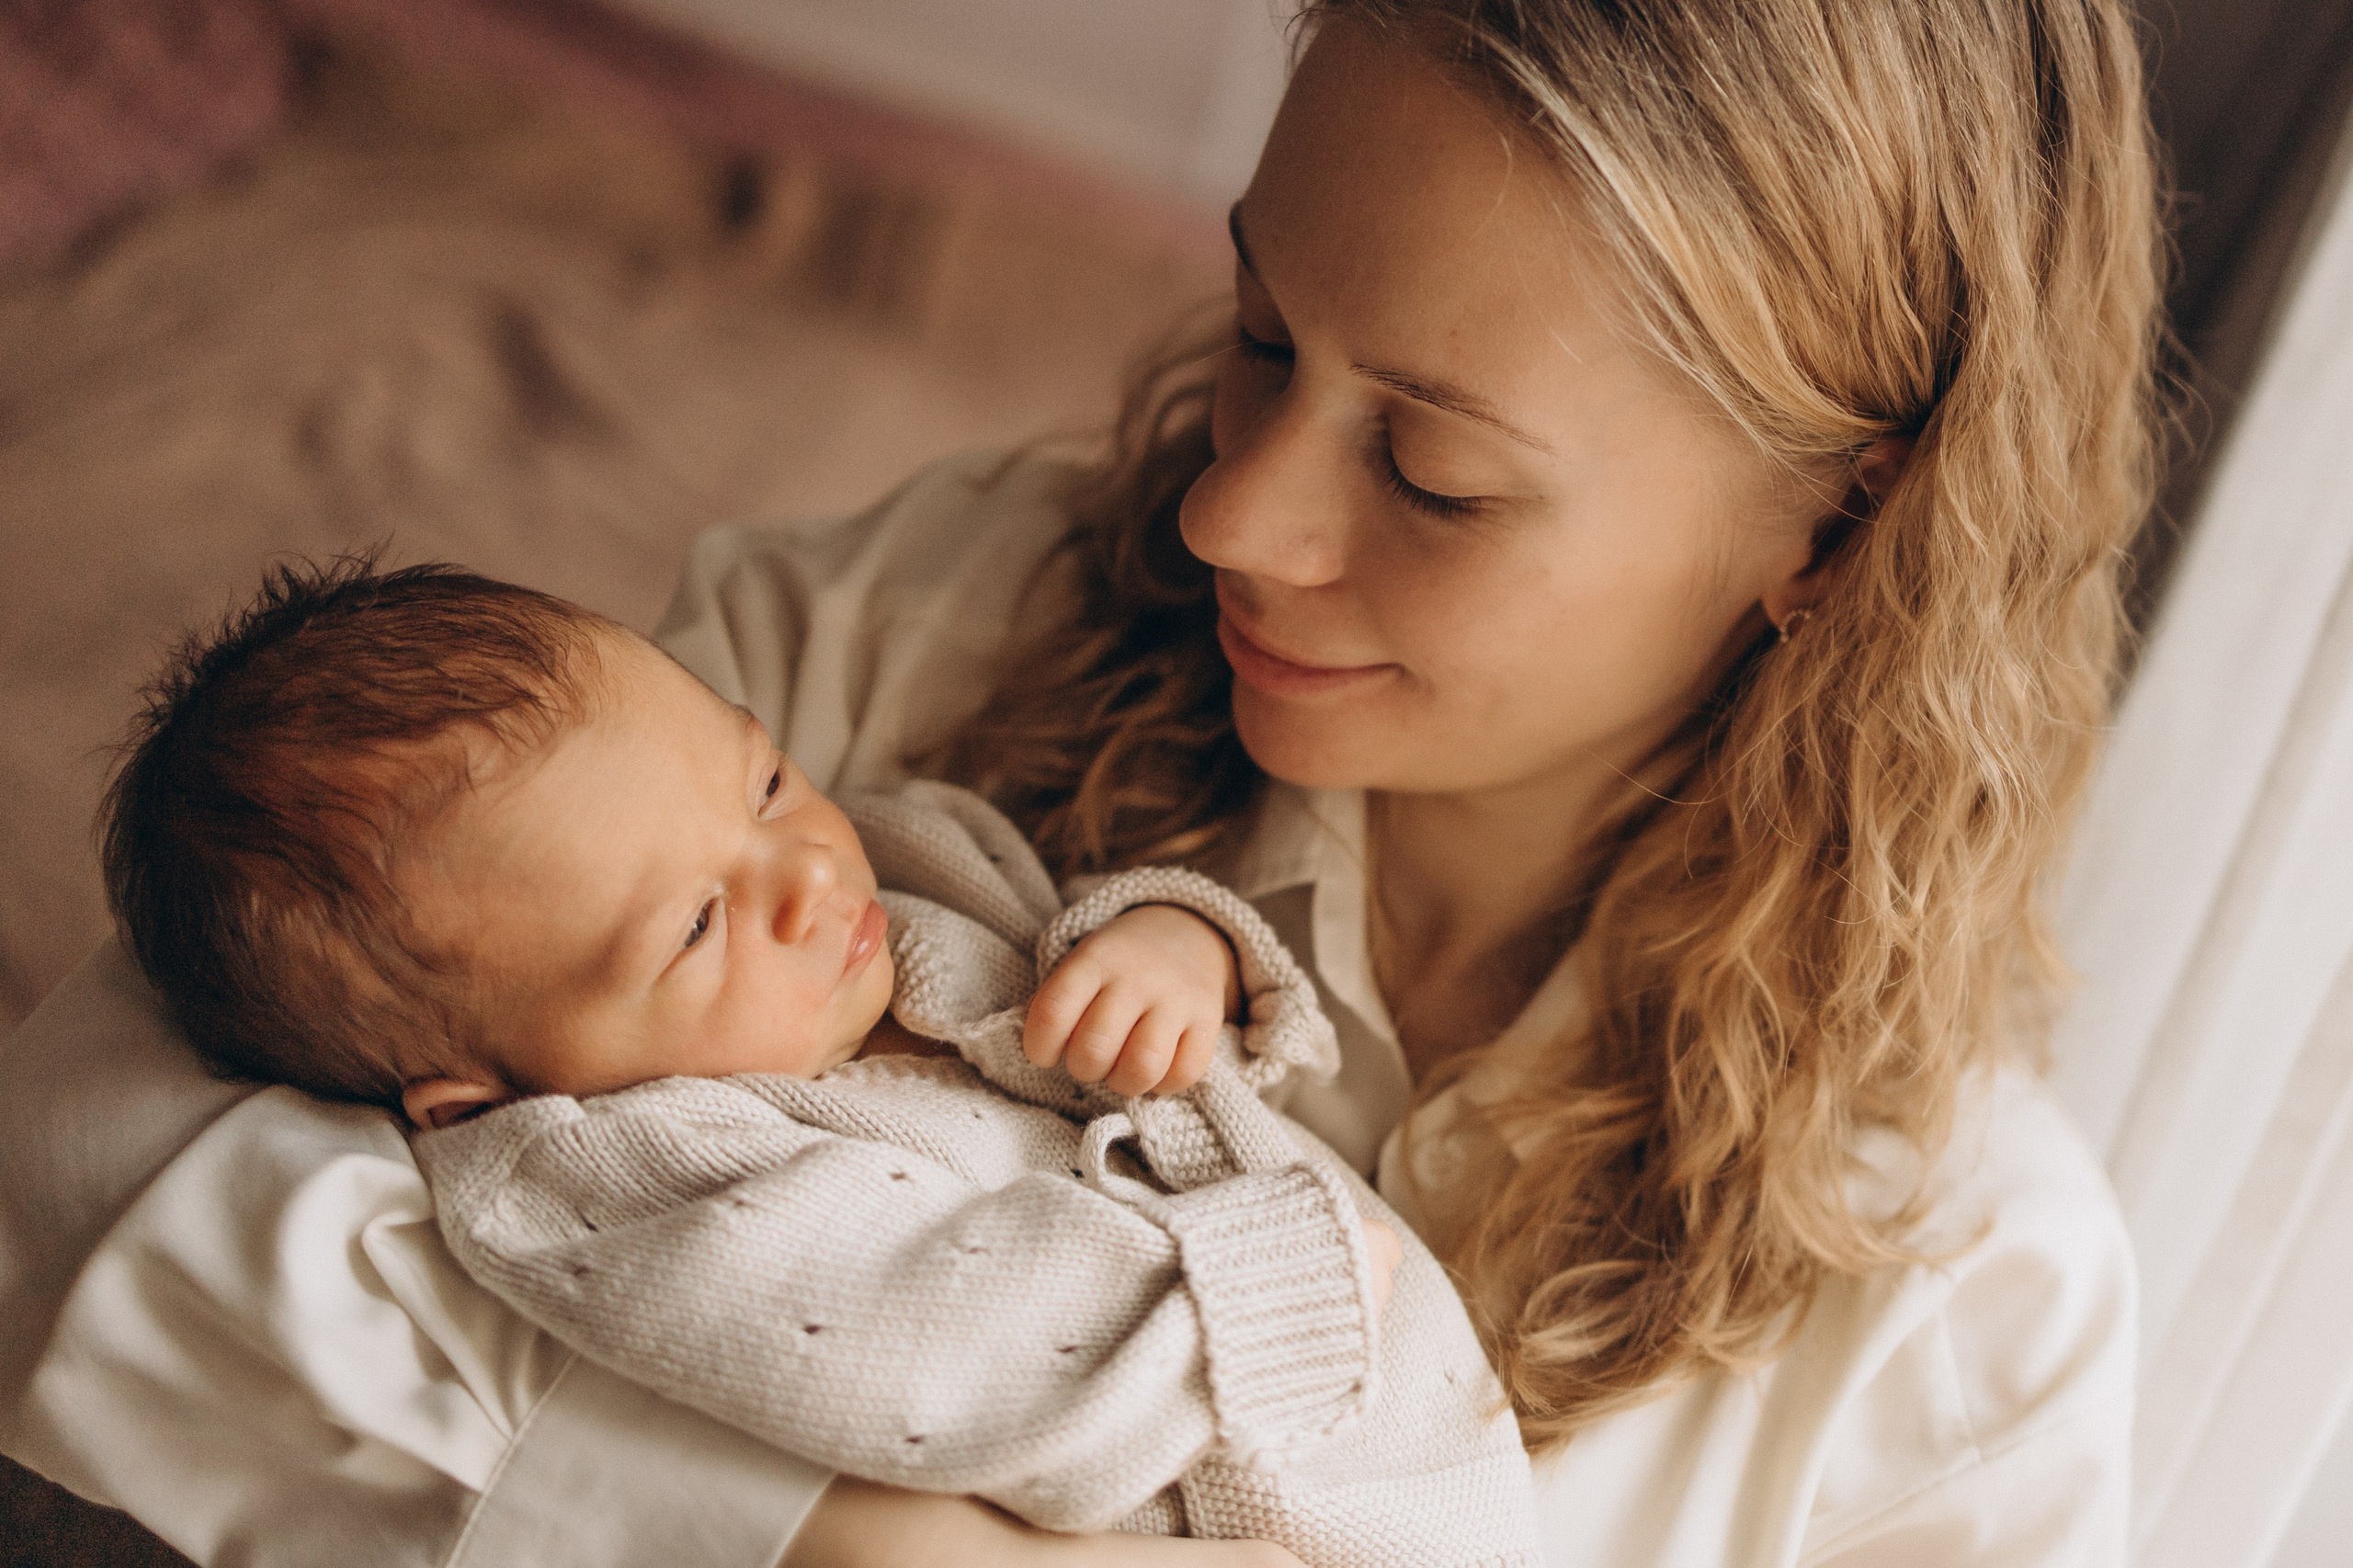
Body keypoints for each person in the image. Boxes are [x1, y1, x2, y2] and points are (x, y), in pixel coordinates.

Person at [0, 0, 2158, 1564]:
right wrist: (833, 1537)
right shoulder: (942, 619)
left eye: (1431, 470)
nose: (1231, 516)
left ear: (1835, 525)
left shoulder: (1957, 1312)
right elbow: (78, 1161)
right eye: (1258, 334)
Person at [90, 558, 1535, 1566]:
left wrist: (1176, 944)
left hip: (1414, 1424)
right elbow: (943, 1351)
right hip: (1264, 1476)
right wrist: (1278, 1298)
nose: (799, 873)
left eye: (765, 776)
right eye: (697, 925)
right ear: (498, 1095)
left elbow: (1074, 947)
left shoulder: (890, 869)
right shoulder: (626, 1171)